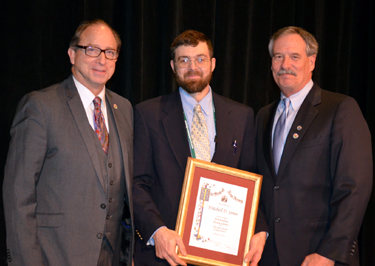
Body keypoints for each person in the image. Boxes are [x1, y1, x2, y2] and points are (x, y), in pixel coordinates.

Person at [3, 19, 134, 266]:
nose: (102, 60)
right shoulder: (41, 106)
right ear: (72, 54)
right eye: (92, 49)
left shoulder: (124, 108)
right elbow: (17, 195)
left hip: (112, 256)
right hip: (54, 255)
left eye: (110, 52)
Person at [132, 30, 266, 266]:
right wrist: (157, 231)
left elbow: (252, 180)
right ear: (173, 66)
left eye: (200, 59)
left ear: (213, 64)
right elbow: (136, 183)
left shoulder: (241, 116)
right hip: (166, 254)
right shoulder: (147, 115)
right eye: (184, 60)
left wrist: (259, 231)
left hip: (225, 255)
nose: (193, 67)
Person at [255, 26, 373, 266]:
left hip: (319, 256)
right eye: (278, 56)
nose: (285, 64)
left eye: (294, 56)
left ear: (311, 62)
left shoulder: (340, 109)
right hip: (269, 256)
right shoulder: (263, 116)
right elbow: (257, 183)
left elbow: (354, 187)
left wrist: (330, 252)